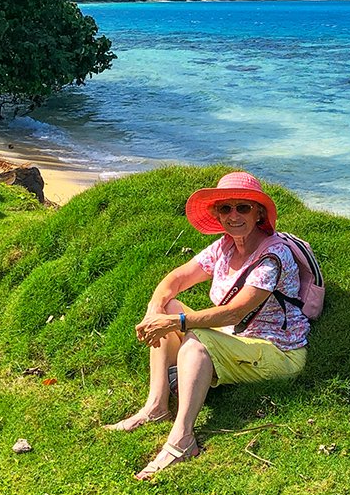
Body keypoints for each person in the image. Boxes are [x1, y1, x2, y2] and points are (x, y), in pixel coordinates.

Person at [105, 171, 308, 479]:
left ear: (259, 213)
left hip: (278, 353)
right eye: (225, 208)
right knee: (170, 307)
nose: (234, 215)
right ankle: (156, 406)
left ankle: (183, 439)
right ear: (217, 214)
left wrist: (177, 321)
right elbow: (176, 279)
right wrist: (156, 310)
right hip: (239, 340)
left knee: (195, 337)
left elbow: (234, 313)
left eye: (243, 208)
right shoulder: (224, 247)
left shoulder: (272, 256)